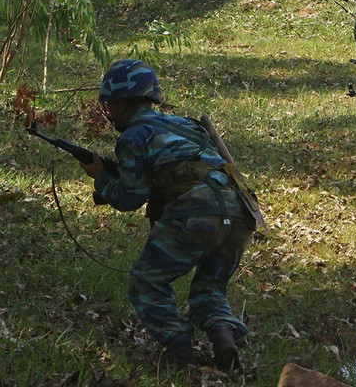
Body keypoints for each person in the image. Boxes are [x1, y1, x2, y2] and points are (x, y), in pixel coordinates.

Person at [80, 59, 254, 371]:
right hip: (241, 209)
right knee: (210, 287)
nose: (107, 111)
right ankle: (223, 336)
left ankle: (179, 351)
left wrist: (101, 177)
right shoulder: (186, 125)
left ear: (124, 102)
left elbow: (130, 198)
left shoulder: (133, 136)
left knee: (146, 282)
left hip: (197, 209)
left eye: (110, 103)